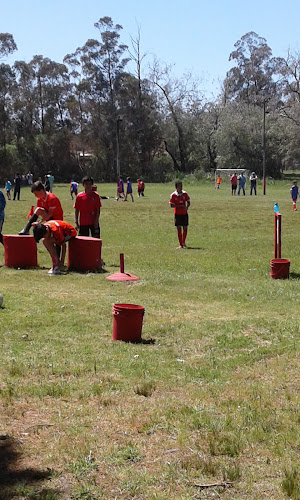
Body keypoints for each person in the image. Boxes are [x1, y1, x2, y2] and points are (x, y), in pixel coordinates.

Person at [169, 180, 190, 249]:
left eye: (181, 186)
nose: (180, 188)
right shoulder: (173, 195)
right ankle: (180, 244)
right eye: (179, 186)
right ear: (176, 187)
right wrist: (180, 206)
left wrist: (187, 207)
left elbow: (188, 201)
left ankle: (183, 242)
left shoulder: (185, 193)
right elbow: (171, 205)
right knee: (178, 228)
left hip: (184, 213)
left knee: (185, 228)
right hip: (177, 214)